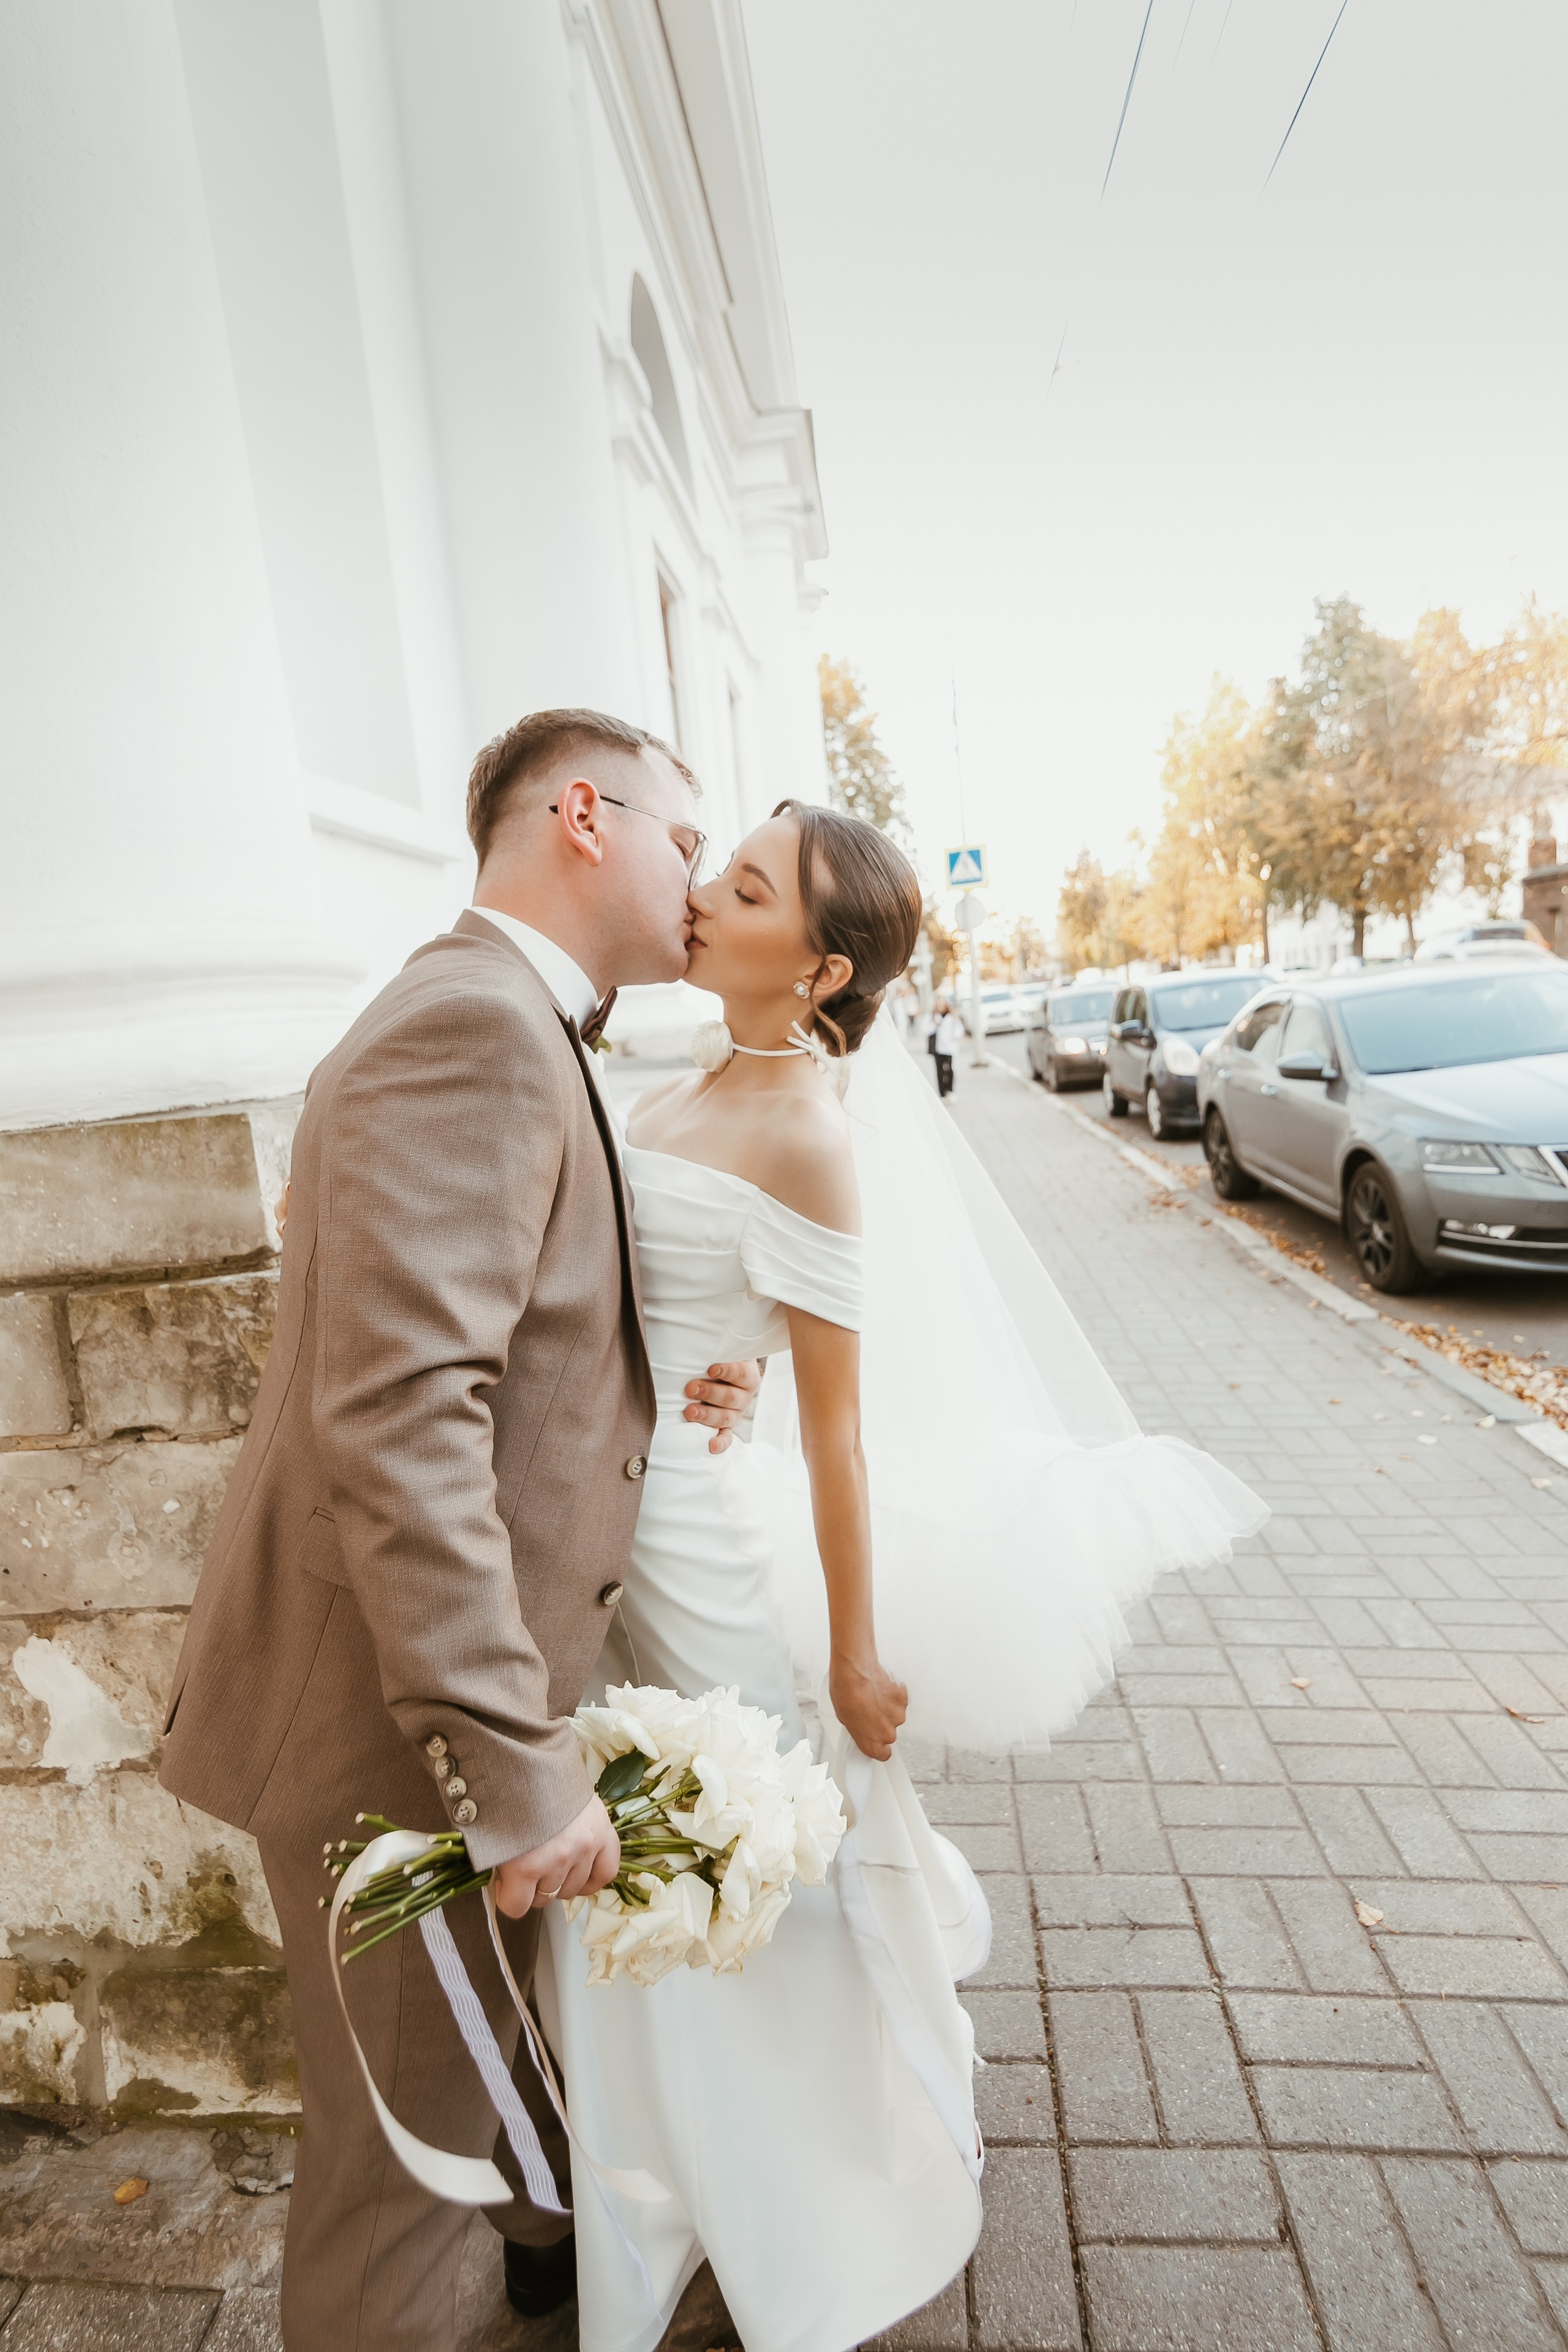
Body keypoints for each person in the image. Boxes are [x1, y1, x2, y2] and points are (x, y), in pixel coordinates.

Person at [158, 710, 761, 2352]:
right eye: (686, 841)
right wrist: (511, 1765)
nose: (699, 881)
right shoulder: (476, 1029)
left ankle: (554, 2265)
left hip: (414, 1712)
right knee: (394, 2191)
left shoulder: (513, 1018)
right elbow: (403, 1421)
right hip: (392, 1744)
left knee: (478, 2105)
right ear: (584, 814)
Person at [932, 996, 965, 1096]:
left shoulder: (952, 1017)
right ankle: (942, 1093)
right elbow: (925, 1030)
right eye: (939, 1005)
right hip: (938, 1048)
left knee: (949, 1069)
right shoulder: (933, 1016)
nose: (941, 1007)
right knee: (939, 1071)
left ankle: (950, 1090)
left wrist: (956, 1036)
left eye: (942, 1005)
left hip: (950, 1047)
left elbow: (959, 1028)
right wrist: (935, 1025)